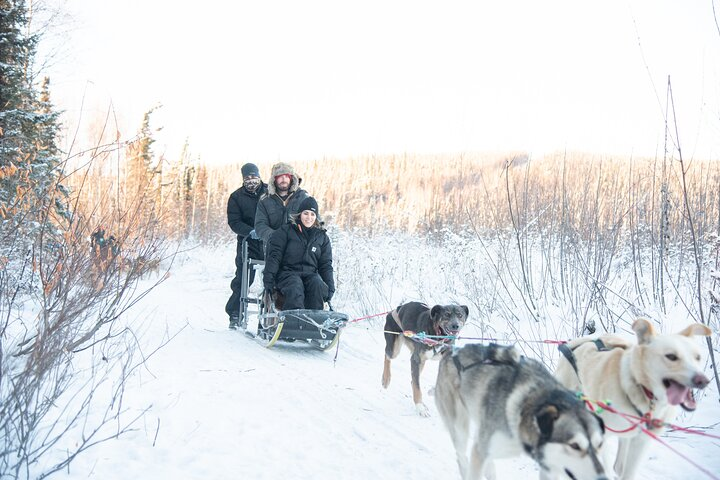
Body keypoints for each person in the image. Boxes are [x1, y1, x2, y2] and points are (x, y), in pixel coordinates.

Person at [263, 196, 335, 311]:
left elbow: (325, 265)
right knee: (295, 285)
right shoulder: (285, 231)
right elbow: (274, 257)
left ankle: (315, 320)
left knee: (317, 284)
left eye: (312, 214)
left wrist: (330, 287)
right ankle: (294, 320)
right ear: (299, 214)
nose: (309, 217)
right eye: (306, 213)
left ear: (316, 217)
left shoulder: (321, 237)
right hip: (287, 274)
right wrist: (268, 280)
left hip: (310, 275)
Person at [225, 163, 268, 329]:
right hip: (247, 242)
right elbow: (234, 221)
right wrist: (250, 231)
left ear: (259, 175)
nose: (251, 180)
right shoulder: (236, 197)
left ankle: (269, 314)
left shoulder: (269, 192)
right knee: (243, 279)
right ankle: (235, 313)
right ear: (243, 179)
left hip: (268, 242)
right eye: (247, 177)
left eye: (253, 176)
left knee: (272, 278)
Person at [254, 162, 310, 245]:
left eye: (287, 176)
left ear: (292, 178)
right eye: (280, 176)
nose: (284, 179)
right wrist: (276, 236)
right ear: (274, 179)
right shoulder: (265, 200)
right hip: (273, 248)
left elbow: (315, 222)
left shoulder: (303, 197)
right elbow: (260, 226)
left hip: (299, 249)